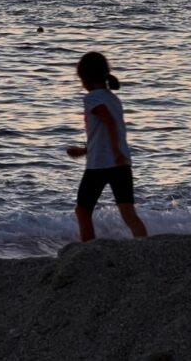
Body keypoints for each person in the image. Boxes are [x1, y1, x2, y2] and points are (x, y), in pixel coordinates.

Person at [65, 52, 148, 241]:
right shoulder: (113, 98)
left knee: (83, 210)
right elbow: (106, 131)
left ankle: (88, 248)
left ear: (85, 78)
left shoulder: (92, 98)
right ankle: (145, 245)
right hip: (121, 164)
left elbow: (109, 121)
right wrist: (85, 150)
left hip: (100, 165)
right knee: (128, 212)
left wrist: (115, 151)